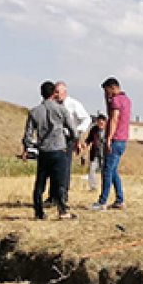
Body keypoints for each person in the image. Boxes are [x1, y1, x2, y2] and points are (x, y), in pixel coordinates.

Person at [23, 80, 76, 220]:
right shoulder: (61, 110)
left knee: (40, 183)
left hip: (44, 151)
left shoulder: (34, 112)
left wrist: (33, 146)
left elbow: (27, 137)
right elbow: (73, 130)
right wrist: (70, 139)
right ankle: (62, 211)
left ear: (41, 94)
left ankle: (39, 212)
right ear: (54, 93)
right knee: (59, 182)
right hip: (59, 149)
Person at [91, 77, 130, 211]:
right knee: (113, 171)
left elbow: (113, 119)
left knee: (107, 171)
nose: (106, 95)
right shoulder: (126, 100)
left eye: (107, 91)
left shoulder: (116, 101)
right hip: (123, 140)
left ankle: (102, 201)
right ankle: (119, 199)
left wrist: (108, 138)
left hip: (115, 139)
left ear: (113, 88)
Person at [55, 82, 91, 205]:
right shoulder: (53, 104)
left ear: (64, 92)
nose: (55, 94)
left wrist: (77, 131)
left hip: (67, 138)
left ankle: (63, 195)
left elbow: (87, 119)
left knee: (64, 167)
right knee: (53, 167)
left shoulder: (73, 104)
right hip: (55, 138)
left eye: (58, 92)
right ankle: (53, 195)